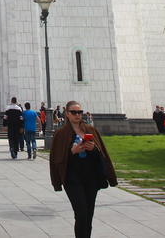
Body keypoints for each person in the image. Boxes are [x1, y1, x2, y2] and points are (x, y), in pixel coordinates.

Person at [49, 100, 117, 238]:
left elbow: (101, 153)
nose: (77, 115)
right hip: (72, 179)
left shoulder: (90, 130)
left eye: (79, 112)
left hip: (91, 178)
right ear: (67, 114)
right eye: (73, 112)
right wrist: (72, 152)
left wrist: (93, 149)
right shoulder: (61, 134)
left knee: (88, 214)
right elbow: (55, 159)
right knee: (81, 213)